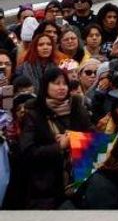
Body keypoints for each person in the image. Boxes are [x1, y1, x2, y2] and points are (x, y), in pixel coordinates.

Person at [16, 67, 91, 209]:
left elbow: (93, 138)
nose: (61, 87)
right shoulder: (34, 113)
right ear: (46, 86)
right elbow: (27, 152)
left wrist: (73, 139)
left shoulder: (76, 107)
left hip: (78, 182)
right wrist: (59, 146)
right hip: (44, 188)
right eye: (56, 83)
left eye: (64, 83)